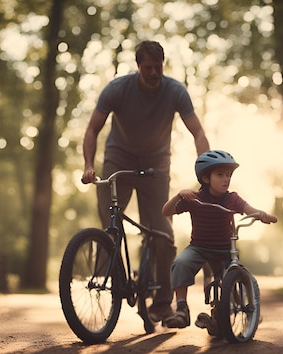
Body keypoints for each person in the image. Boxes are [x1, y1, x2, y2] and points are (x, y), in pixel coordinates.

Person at [81, 40, 210, 323]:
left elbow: (197, 132)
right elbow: (92, 130)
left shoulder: (175, 91)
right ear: (138, 66)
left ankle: (163, 301)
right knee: (110, 222)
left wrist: (206, 175)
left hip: (156, 163)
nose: (153, 73)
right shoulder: (117, 89)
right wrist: (89, 166)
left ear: (163, 65)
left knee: (162, 229)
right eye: (148, 67)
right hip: (119, 159)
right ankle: (116, 279)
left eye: (158, 67)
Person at [161, 150, 277, 329]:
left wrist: (262, 215)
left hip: (225, 249)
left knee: (241, 277)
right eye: (220, 174)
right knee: (181, 263)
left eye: (229, 175)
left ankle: (244, 311)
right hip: (199, 247)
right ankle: (182, 310)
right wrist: (179, 195)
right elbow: (166, 211)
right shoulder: (195, 198)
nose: (226, 179)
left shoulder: (232, 199)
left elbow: (249, 209)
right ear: (206, 179)